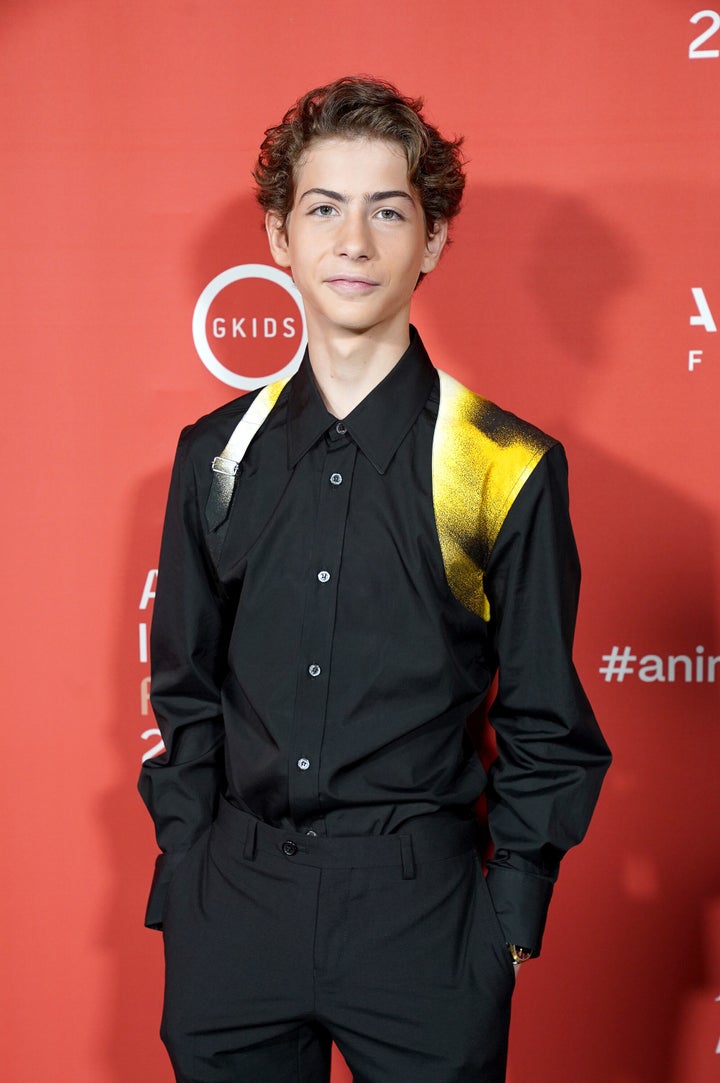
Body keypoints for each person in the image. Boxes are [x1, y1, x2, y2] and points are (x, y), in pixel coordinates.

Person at [138, 76, 611, 1083]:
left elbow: (545, 721)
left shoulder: (504, 464)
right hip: (236, 907)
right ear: (279, 235)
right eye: (324, 207)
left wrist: (509, 922)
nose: (354, 239)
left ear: (432, 241)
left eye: (388, 209)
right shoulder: (214, 456)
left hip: (424, 919)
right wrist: (190, 871)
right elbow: (183, 688)